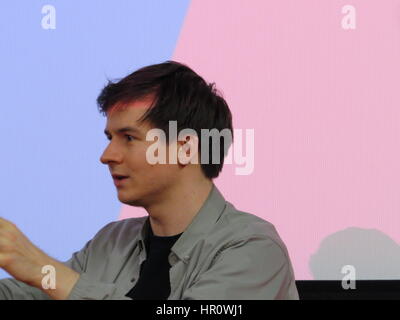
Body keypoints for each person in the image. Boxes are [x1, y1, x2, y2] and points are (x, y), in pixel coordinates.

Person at [0, 61, 299, 300]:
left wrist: (40, 266)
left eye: (128, 138)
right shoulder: (112, 241)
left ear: (185, 148)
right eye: (109, 138)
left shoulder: (253, 248)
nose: (107, 155)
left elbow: (56, 282)